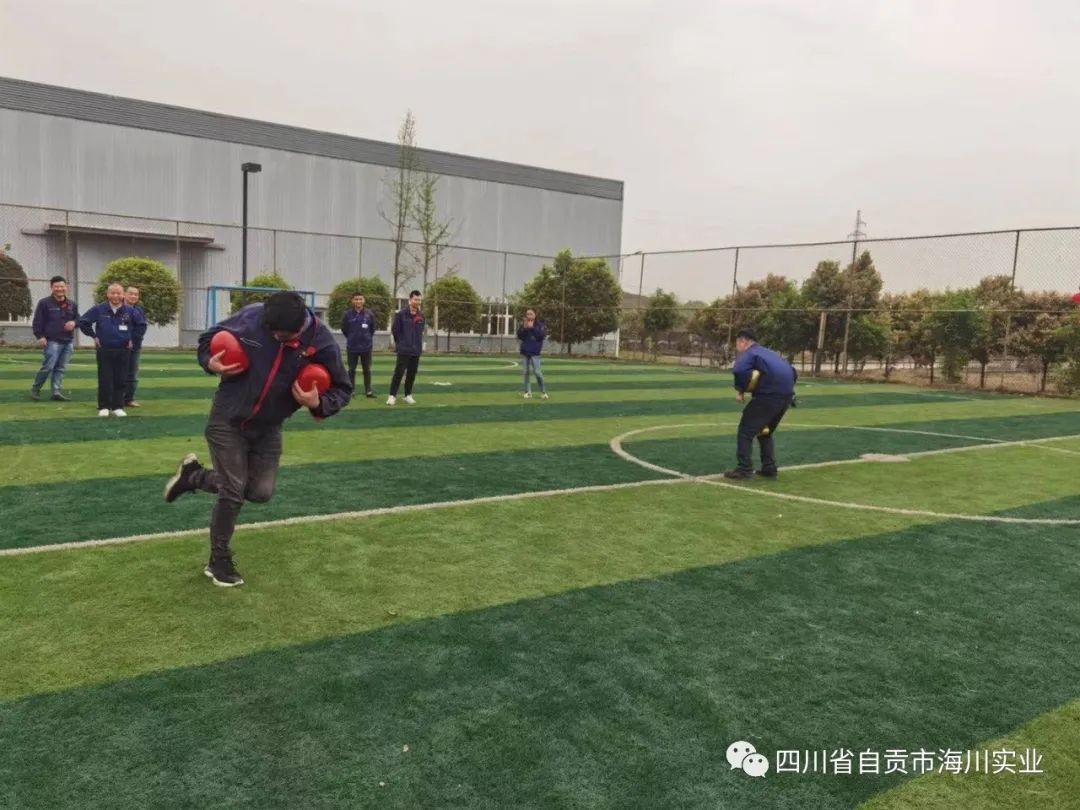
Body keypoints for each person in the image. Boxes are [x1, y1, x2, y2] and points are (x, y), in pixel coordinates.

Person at [163, 291, 352, 587]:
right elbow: (208, 339)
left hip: (269, 427)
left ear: (301, 326)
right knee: (233, 491)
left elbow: (343, 389)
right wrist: (209, 362)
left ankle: (194, 477)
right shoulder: (252, 316)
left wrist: (319, 403)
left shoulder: (322, 341)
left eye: (283, 336)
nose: (276, 337)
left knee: (261, 492)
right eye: (271, 332)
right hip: (228, 417)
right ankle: (219, 561)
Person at [723, 328, 797, 480]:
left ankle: (744, 469)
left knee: (745, 431)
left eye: (737, 343)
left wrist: (740, 390)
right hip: (786, 397)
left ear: (743, 341)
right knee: (765, 431)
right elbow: (793, 371)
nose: (737, 346)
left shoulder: (750, 353)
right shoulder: (770, 353)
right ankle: (769, 468)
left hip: (768, 397)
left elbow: (739, 370)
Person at [78, 282, 143, 417]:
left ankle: (118, 406)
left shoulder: (130, 311)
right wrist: (94, 336)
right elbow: (83, 322)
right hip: (104, 349)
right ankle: (104, 406)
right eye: (112, 293)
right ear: (107, 294)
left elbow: (141, 325)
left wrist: (133, 339)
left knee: (121, 379)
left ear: (123, 295)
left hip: (123, 349)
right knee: (105, 379)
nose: (115, 296)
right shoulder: (99, 309)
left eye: (118, 293)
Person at [30, 276, 79, 402]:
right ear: (51, 288)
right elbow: (37, 322)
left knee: (61, 368)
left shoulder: (72, 304)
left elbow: (79, 319)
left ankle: (56, 392)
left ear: (66, 287)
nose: (59, 289)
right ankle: (35, 389)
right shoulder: (44, 303)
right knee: (48, 367)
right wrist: (40, 336)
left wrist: (74, 323)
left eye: (62, 286)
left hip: (68, 341)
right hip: (52, 341)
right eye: (56, 287)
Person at [387, 289, 425, 406]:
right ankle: (392, 396)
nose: (417, 302)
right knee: (399, 373)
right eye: (415, 299)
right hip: (404, 350)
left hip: (416, 350)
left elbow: (420, 332)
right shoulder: (401, 314)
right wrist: (401, 344)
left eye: (419, 300)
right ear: (410, 300)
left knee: (411, 374)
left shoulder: (421, 316)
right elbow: (395, 330)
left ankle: (408, 395)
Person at [341, 291, 377, 398]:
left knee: (367, 369)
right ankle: (351, 391)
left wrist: (367, 338)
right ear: (352, 301)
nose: (358, 301)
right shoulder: (347, 314)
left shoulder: (369, 314)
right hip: (352, 347)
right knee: (351, 370)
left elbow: (372, 329)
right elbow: (344, 329)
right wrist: (351, 337)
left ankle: (368, 391)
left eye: (360, 299)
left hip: (366, 347)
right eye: (356, 299)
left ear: (364, 300)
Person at [123, 286, 148, 408]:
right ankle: (115, 399)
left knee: (132, 374)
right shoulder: (118, 309)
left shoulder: (139, 311)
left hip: (135, 347)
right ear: (124, 295)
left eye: (136, 294)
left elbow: (142, 327)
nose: (133, 296)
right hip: (118, 346)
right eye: (131, 293)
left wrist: (132, 340)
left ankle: (129, 399)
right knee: (117, 373)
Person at [516, 308, 549, 399]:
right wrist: (525, 328)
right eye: (527, 314)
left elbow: (541, 336)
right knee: (526, 372)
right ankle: (528, 392)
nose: (529, 316)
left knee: (537, 373)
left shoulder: (540, 325)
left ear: (535, 315)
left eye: (531, 314)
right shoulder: (524, 324)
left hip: (535, 352)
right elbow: (520, 336)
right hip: (525, 351)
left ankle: (543, 392)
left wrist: (532, 328)